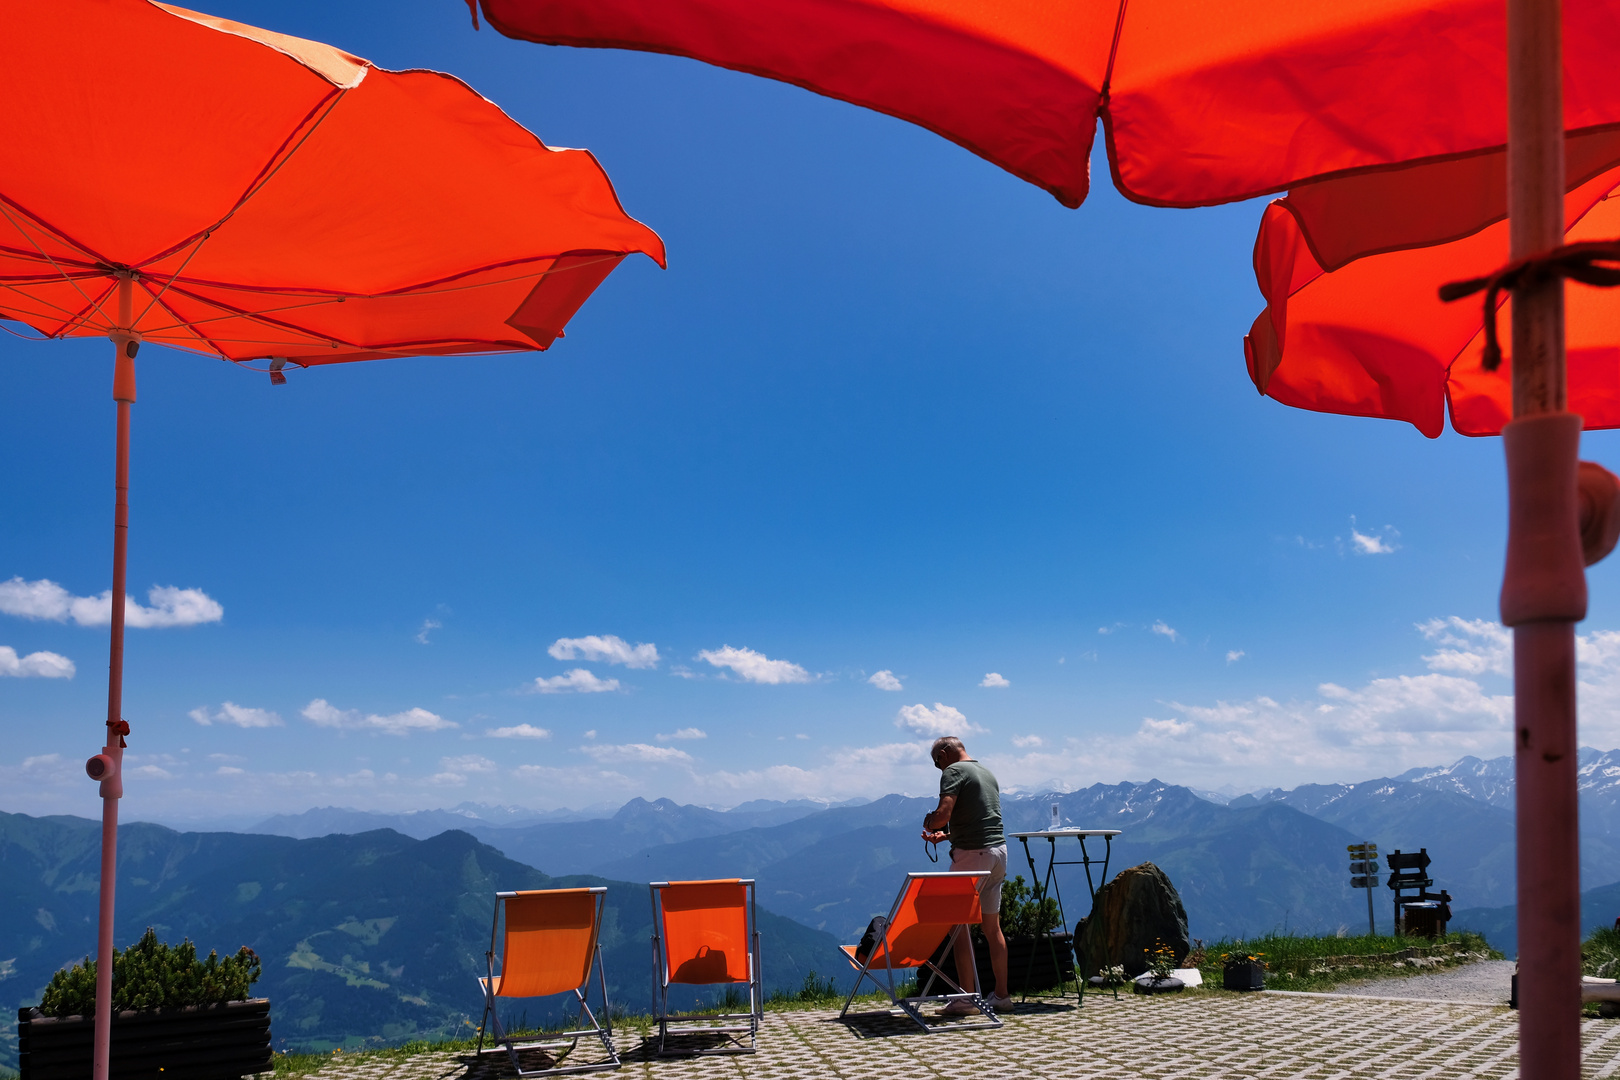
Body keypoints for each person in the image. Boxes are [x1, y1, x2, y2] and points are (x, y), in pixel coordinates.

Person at [922, 735, 1011, 1013]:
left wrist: (931, 822)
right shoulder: (985, 771)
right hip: (998, 853)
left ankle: (966, 998)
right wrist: (948, 837)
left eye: (937, 762)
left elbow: (942, 814)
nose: (939, 769)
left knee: (958, 926)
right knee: (992, 927)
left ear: (946, 752)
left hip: (972, 856)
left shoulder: (954, 771)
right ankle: (1001, 995)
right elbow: (980, 822)